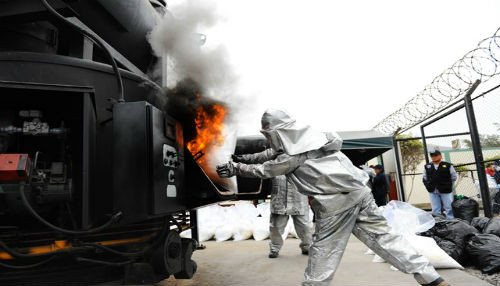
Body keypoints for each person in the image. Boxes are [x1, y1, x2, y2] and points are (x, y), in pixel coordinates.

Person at [217, 109, 449, 286]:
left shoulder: (291, 155)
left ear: (275, 132)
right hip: (360, 193)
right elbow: (268, 155)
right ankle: (432, 279)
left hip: (334, 203)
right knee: (386, 239)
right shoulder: (317, 138)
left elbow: (265, 170)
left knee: (324, 250)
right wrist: (241, 159)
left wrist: (235, 168)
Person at [235, 151, 313, 258]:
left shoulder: (303, 156)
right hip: (280, 199)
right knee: (276, 227)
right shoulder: (276, 155)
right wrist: (242, 159)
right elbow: (259, 160)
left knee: (305, 227)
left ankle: (307, 247)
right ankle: (274, 249)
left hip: (298, 198)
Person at [422, 150, 457, 219]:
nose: (434, 157)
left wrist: (447, 184)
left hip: (446, 190)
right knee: (435, 209)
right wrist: (428, 186)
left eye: (435, 155)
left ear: (440, 156)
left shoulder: (448, 165)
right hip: (433, 191)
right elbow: (424, 178)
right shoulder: (427, 166)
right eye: (432, 156)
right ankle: (438, 222)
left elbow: (454, 177)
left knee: (449, 208)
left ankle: (451, 222)